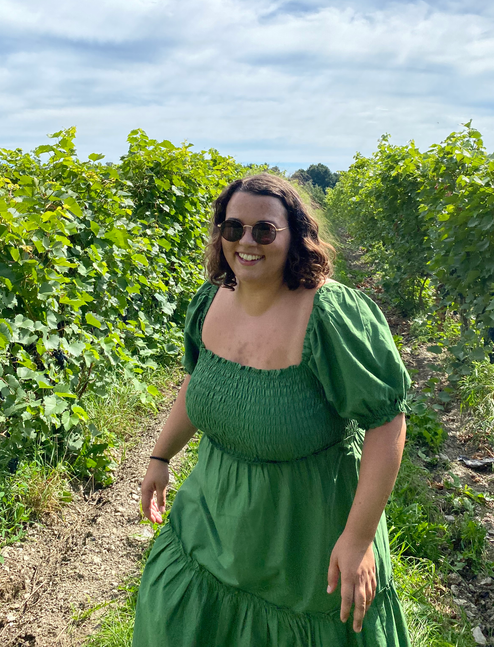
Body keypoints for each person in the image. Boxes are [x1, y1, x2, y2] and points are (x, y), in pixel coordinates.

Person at [132, 173, 411, 647]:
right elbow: (198, 383)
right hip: (214, 515)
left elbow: (386, 421)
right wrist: (160, 457)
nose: (246, 241)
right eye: (233, 228)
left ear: (295, 236)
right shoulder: (210, 301)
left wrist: (358, 539)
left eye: (264, 230)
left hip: (304, 535)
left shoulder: (330, 315)